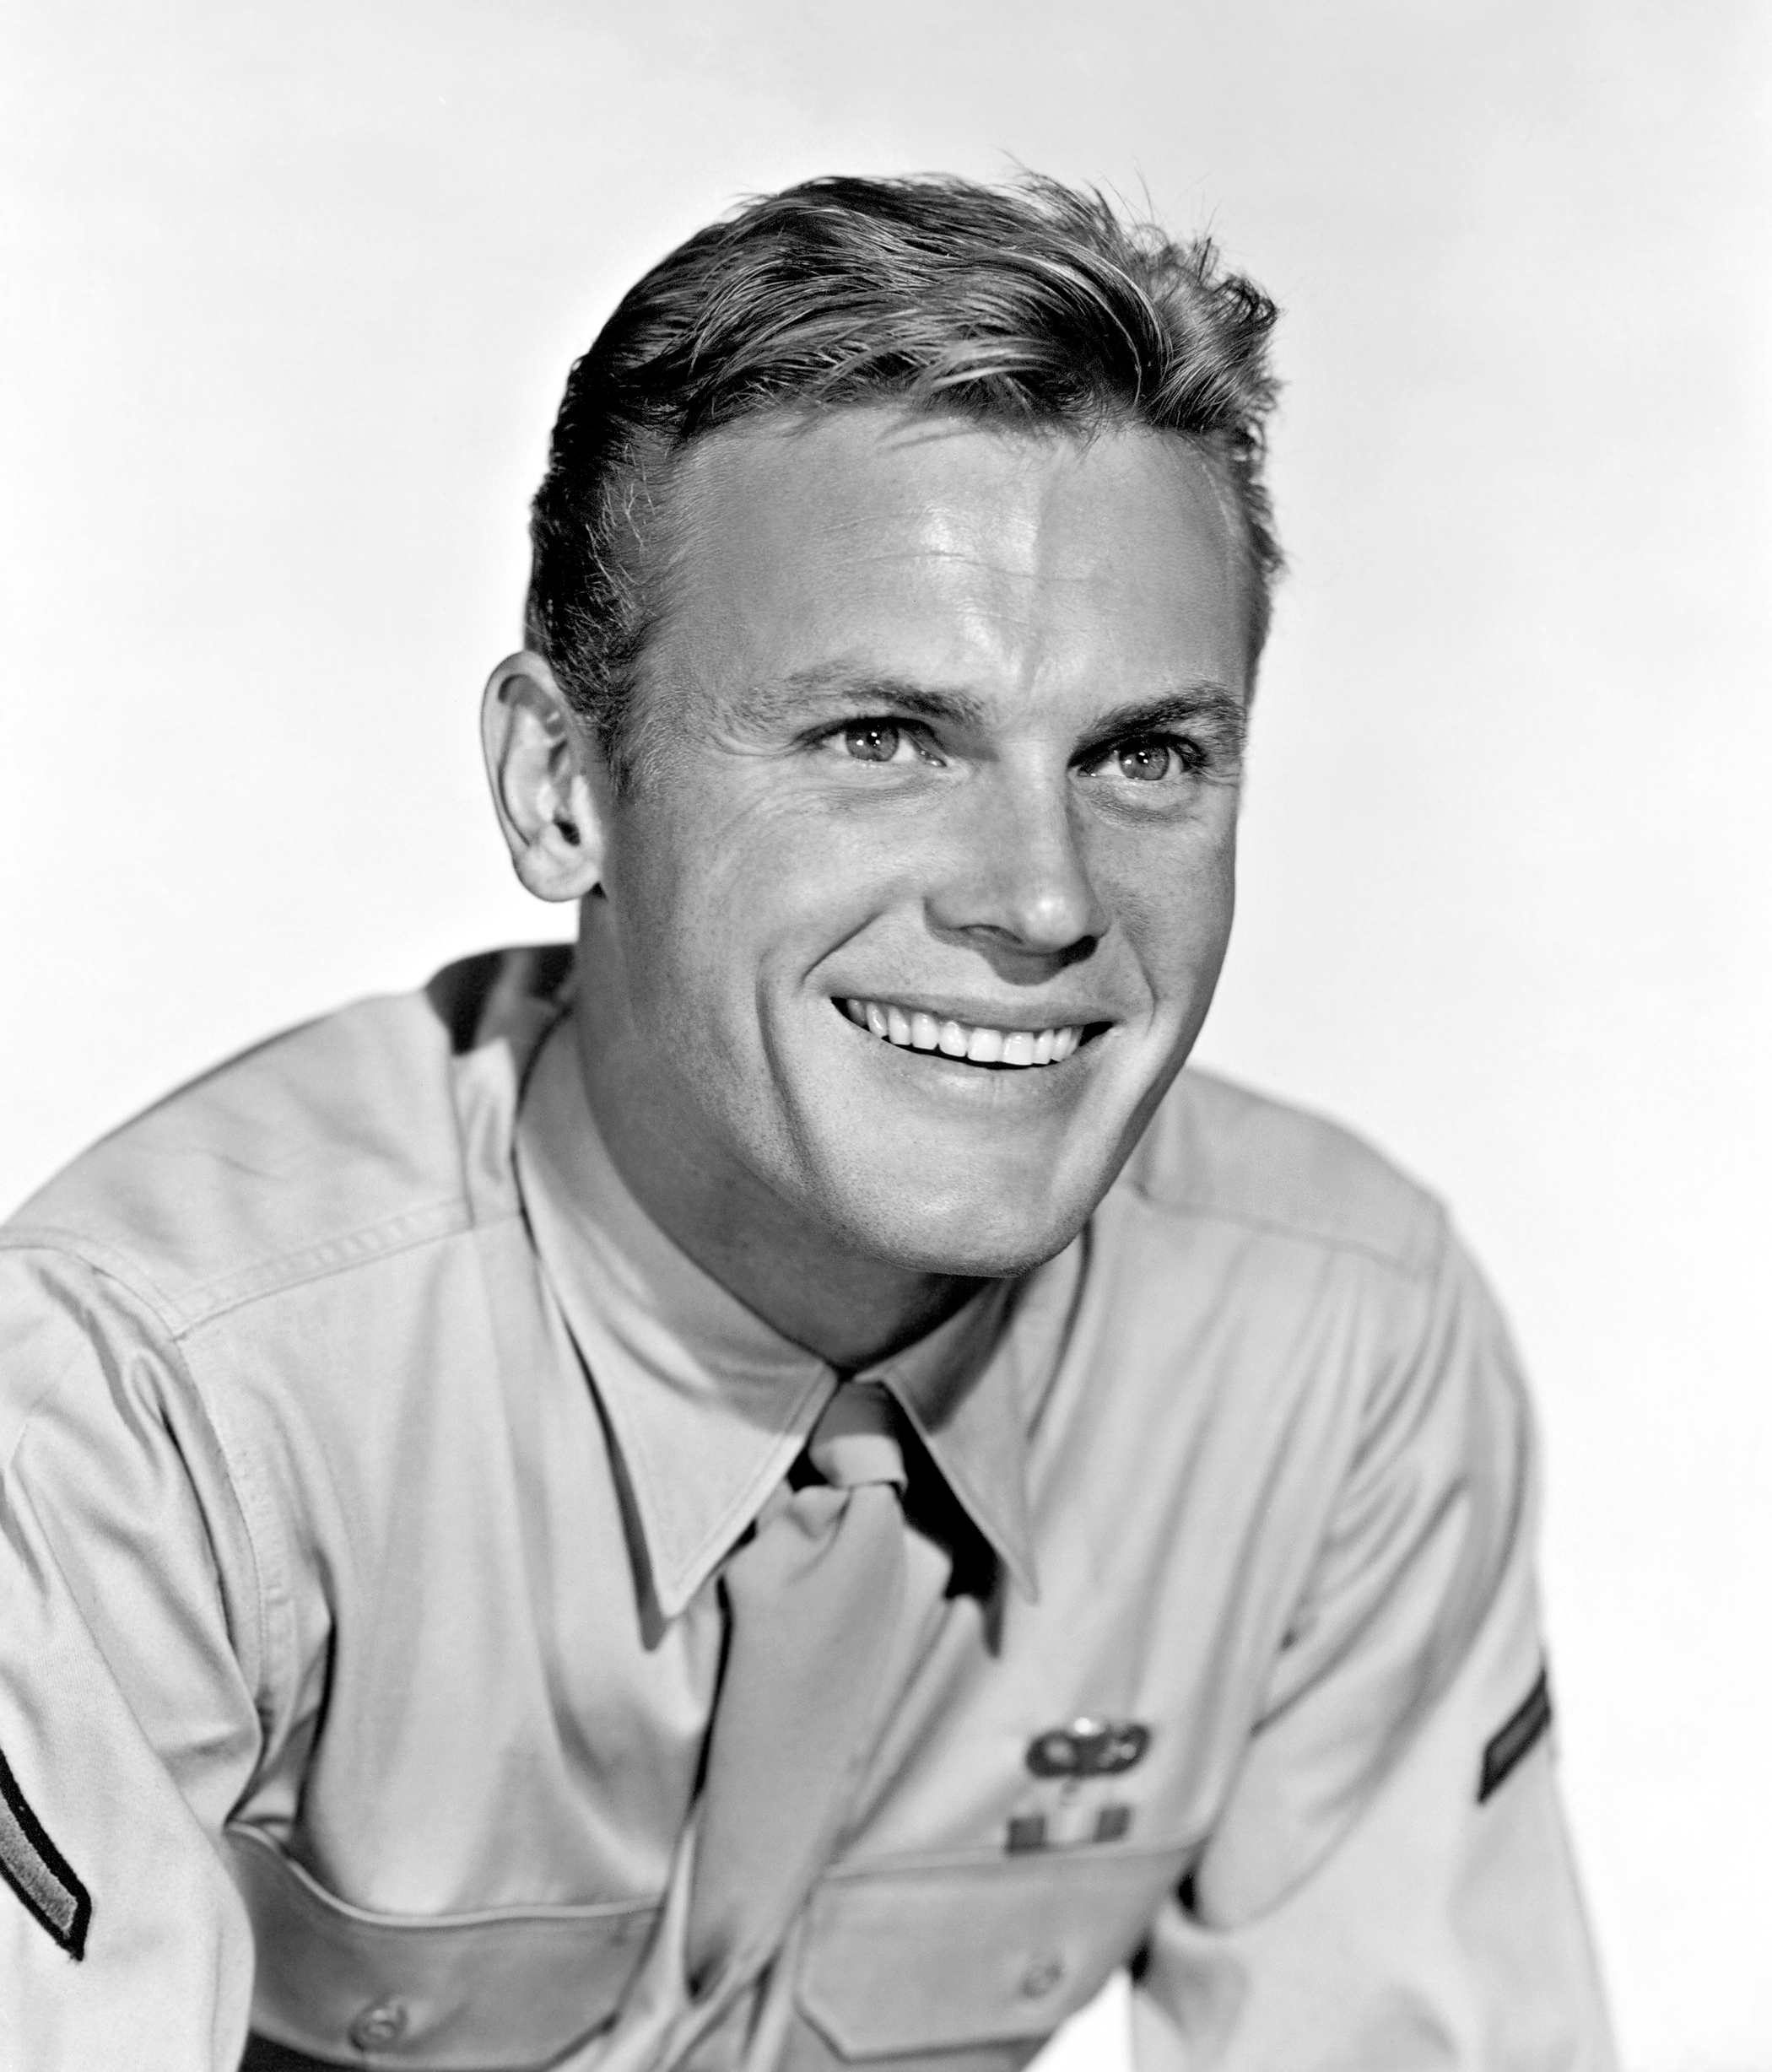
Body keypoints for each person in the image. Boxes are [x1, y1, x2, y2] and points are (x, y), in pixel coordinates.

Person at [0, 175, 1614, 2070]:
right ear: (560, 785)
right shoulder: (140, 1403)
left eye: (1143, 755)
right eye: (882, 740)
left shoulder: (1334, 1351)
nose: (1042, 900)